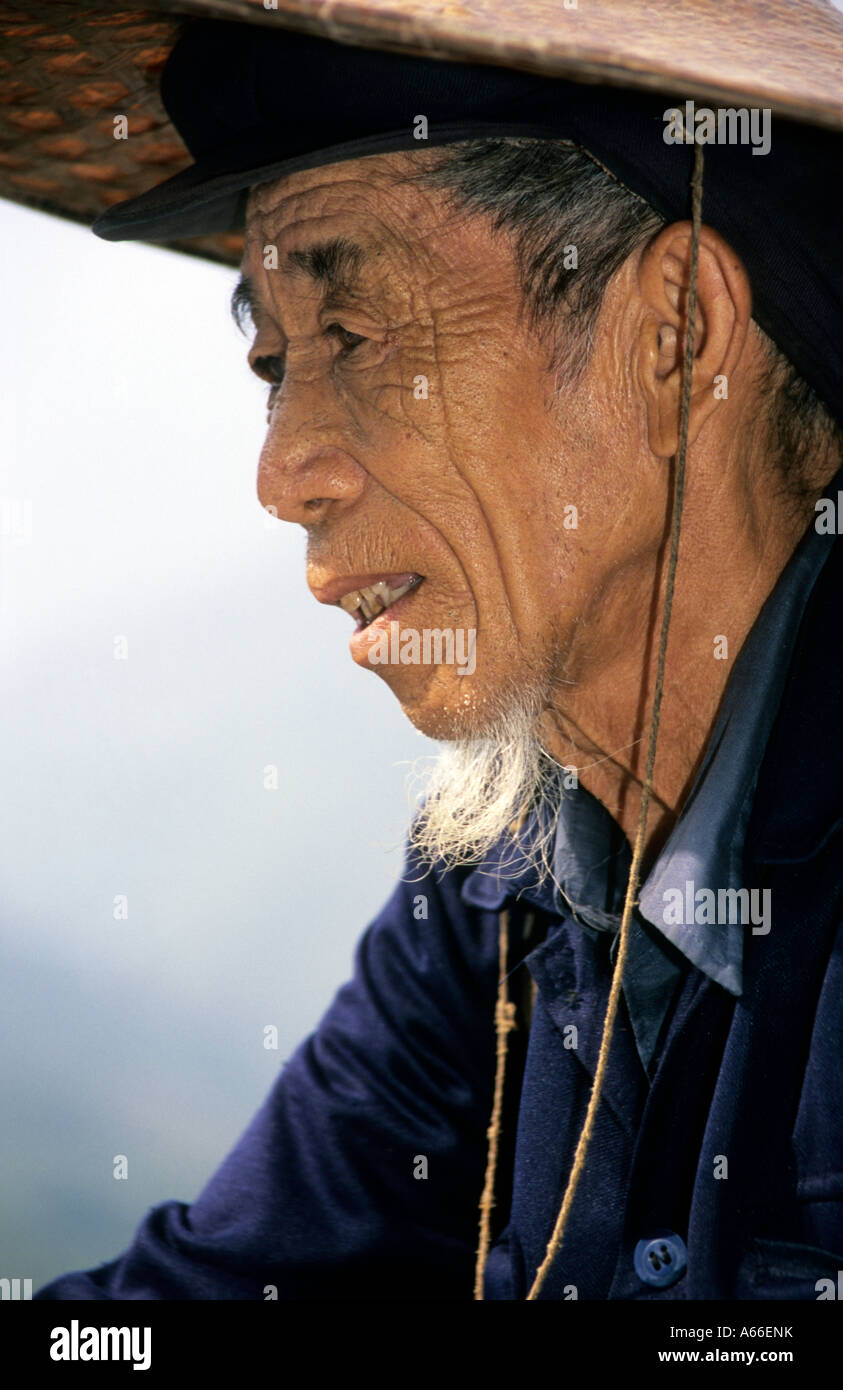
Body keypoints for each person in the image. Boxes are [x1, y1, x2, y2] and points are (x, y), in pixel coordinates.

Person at [34, 18, 843, 1301]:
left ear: (674, 339)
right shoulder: (506, 870)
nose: (280, 473)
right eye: (273, 361)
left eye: (354, 333)